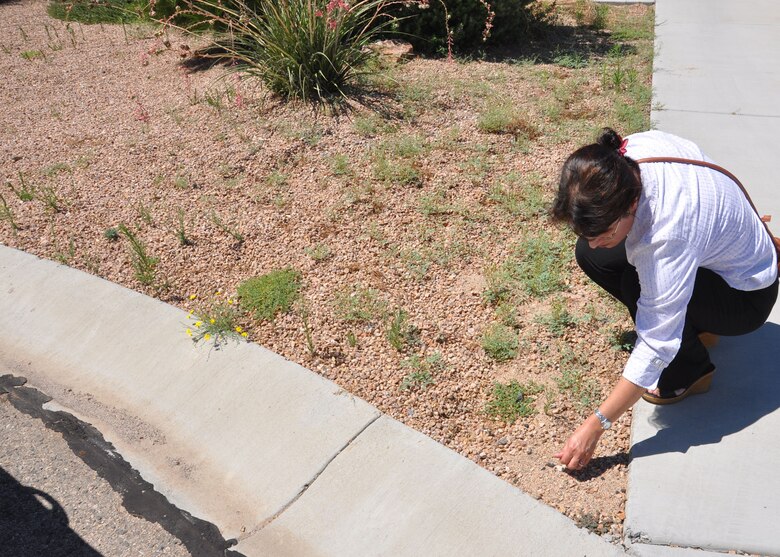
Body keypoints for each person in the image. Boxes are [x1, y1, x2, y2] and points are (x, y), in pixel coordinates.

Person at [550, 128, 778, 471]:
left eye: (605, 232)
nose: (597, 240)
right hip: (719, 262)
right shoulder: (628, 156)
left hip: (746, 296)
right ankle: (697, 326)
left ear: (631, 203)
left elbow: (656, 342)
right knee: (593, 256)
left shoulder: (666, 235)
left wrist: (595, 426)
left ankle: (691, 369)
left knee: (639, 286)